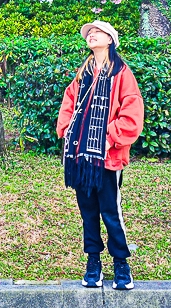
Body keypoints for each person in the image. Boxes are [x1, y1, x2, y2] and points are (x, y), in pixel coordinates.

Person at [56, 20, 144, 291]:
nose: (92, 35)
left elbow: (132, 114)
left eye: (98, 32)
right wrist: (68, 132)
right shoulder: (83, 74)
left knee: (110, 211)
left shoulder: (121, 74)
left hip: (108, 157)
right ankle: (93, 262)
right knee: (88, 212)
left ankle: (121, 263)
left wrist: (109, 138)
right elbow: (68, 103)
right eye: (89, 33)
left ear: (110, 39)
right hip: (81, 157)